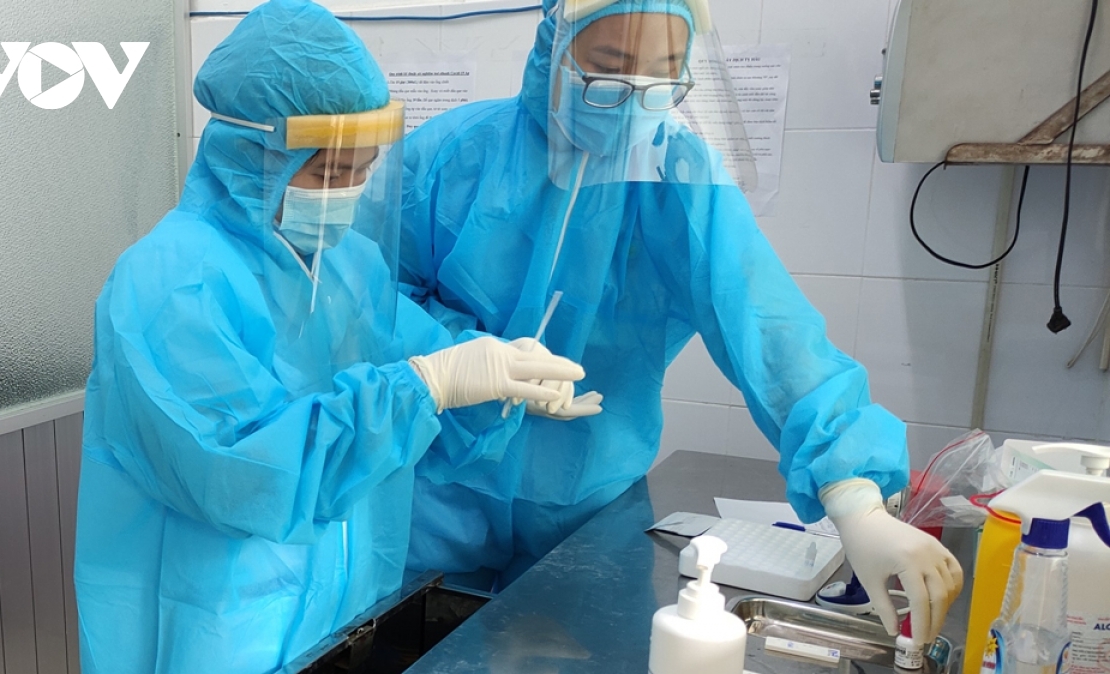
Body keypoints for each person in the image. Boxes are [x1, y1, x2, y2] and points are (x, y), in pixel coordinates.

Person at [400, 0, 964, 645]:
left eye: (662, 73)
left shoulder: (679, 175)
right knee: (408, 643)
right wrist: (468, 362)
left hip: (583, 485)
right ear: (553, 50)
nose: (635, 96)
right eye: (610, 67)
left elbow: (768, 326)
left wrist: (854, 494)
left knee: (578, 647)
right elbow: (371, 300)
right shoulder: (452, 153)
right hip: (436, 477)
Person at [73, 2, 585, 672]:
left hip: (340, 616)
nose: (349, 190)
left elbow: (421, 363)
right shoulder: (169, 282)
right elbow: (240, 474)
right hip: (216, 627)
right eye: (328, 172)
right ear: (251, 154)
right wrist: (427, 387)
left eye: (363, 169)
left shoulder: (348, 265)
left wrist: (497, 381)